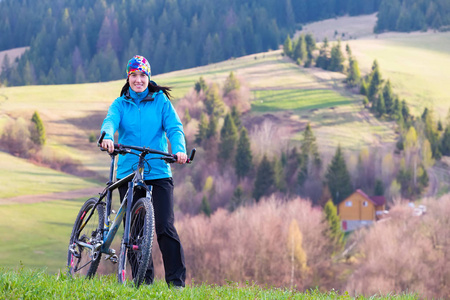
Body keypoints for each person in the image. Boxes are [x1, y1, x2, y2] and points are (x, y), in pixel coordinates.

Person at [100, 55, 187, 288]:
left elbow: (174, 128)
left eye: (142, 75)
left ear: (148, 77)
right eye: (133, 75)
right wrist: (107, 137)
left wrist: (179, 150)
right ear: (128, 77)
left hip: (158, 170)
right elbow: (110, 121)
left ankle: (176, 283)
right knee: (134, 232)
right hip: (129, 171)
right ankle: (143, 282)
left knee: (165, 227)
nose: (138, 80)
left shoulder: (160, 101)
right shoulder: (121, 103)